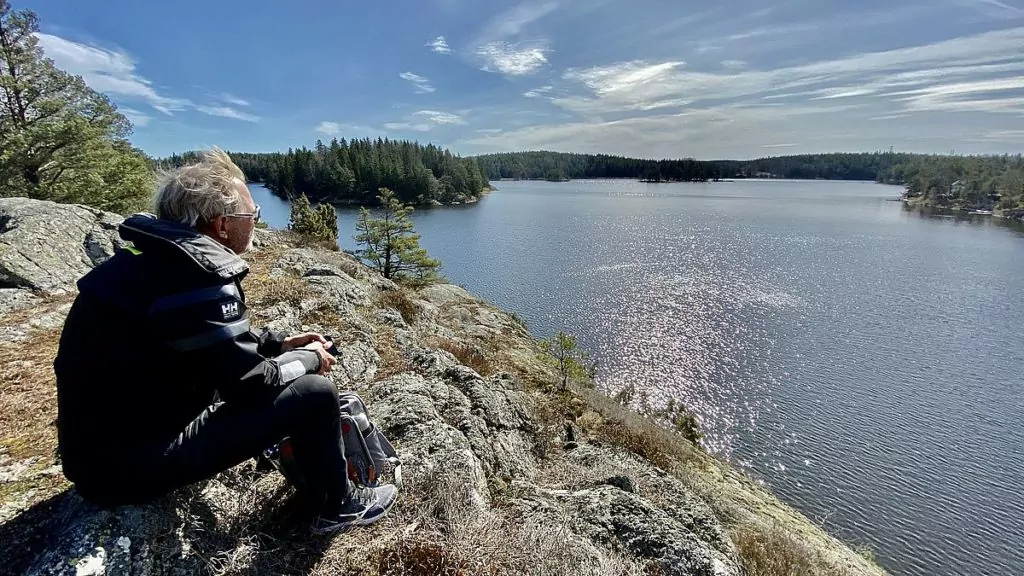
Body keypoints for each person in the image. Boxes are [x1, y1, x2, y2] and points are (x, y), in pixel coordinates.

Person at [53, 148, 397, 533]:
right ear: (221, 226)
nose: (255, 222)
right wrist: (311, 358)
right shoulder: (198, 277)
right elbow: (253, 384)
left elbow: (204, 344)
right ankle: (341, 505)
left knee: (284, 385)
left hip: (97, 456)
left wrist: (279, 344)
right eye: (253, 215)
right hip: (132, 469)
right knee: (315, 394)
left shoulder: (153, 261)